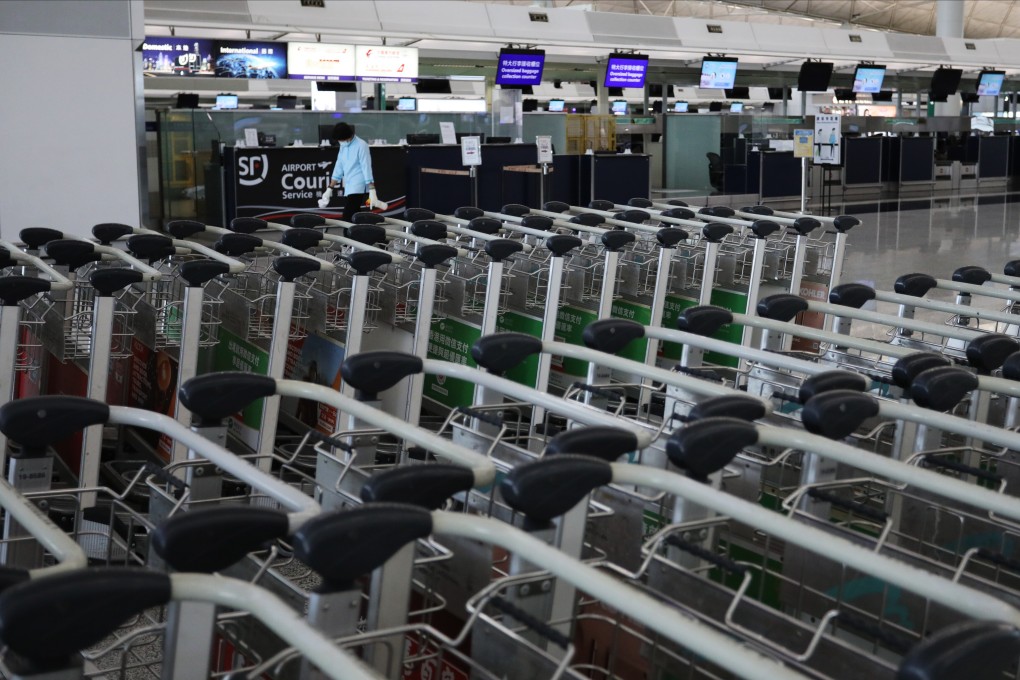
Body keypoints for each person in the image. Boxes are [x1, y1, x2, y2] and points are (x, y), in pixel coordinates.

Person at [327, 122, 377, 221]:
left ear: (348, 136)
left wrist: (372, 189)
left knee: (348, 217)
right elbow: (339, 166)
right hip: (349, 186)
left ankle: (348, 235)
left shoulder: (361, 145)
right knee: (355, 216)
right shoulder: (343, 146)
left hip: (358, 185)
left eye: (341, 140)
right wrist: (330, 188)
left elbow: (366, 168)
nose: (340, 142)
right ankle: (362, 234)